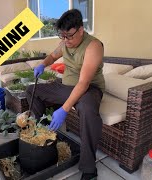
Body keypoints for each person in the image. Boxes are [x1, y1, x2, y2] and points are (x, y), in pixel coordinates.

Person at [26, 9, 104, 180]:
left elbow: (83, 83)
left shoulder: (93, 46)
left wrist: (64, 109)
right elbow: (52, 57)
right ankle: (43, 132)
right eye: (62, 36)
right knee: (32, 90)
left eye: (69, 36)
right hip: (66, 86)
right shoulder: (65, 43)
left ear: (81, 30)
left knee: (88, 110)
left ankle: (89, 168)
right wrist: (41, 65)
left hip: (89, 90)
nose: (65, 40)